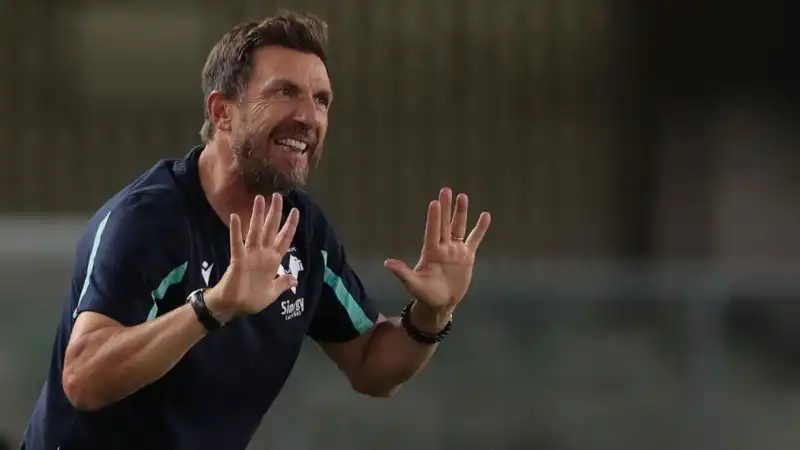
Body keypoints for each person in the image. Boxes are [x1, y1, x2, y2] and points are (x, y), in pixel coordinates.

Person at [21, 10, 491, 450]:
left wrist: (432, 314)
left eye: (321, 100)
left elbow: (371, 366)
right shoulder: (149, 221)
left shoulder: (304, 233)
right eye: (285, 92)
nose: (309, 118)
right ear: (222, 112)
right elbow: (82, 378)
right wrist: (213, 307)